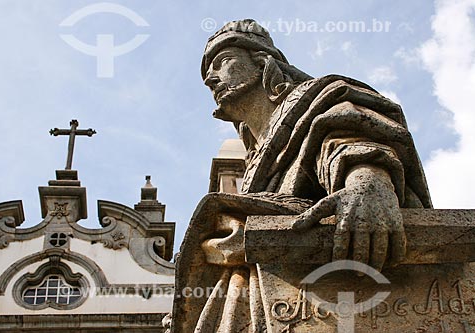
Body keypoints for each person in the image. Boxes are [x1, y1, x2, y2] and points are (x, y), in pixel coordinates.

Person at [171, 19, 431, 332]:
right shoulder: (254, 157)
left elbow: (344, 140)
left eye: (222, 62)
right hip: (272, 300)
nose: (210, 79)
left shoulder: (314, 101)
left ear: (263, 62)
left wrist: (367, 183)